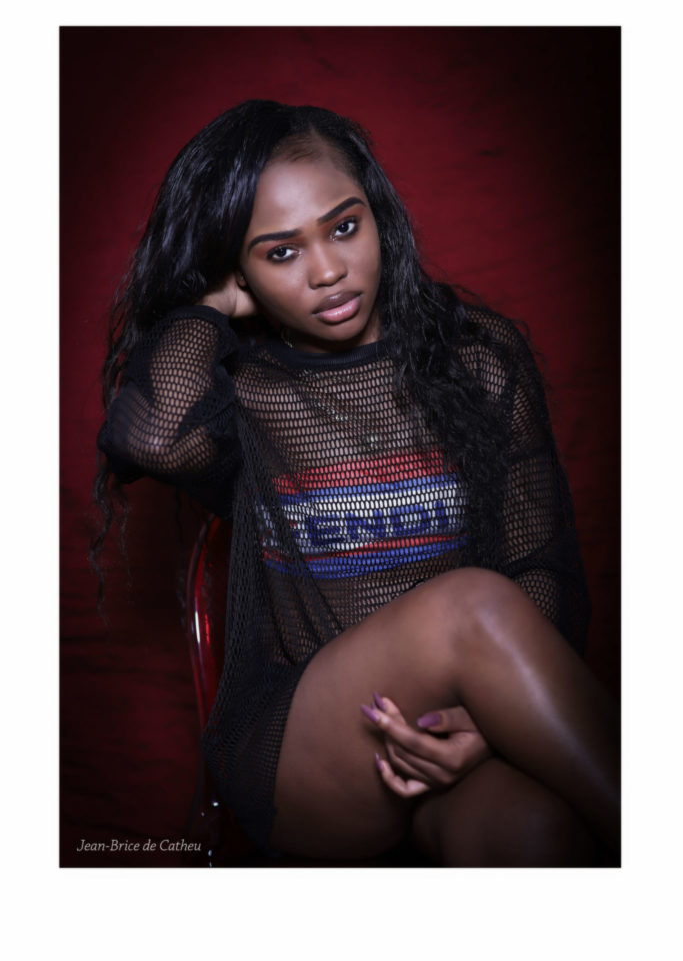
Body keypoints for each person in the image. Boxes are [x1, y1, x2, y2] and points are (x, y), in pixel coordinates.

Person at [95, 99, 619, 866]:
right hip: (310, 747)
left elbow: (539, 567)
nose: (327, 270)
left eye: (343, 227)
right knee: (470, 603)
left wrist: (483, 729)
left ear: (377, 216)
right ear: (240, 270)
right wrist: (210, 303)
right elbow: (150, 436)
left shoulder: (478, 361)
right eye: (279, 252)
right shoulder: (248, 392)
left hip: (454, 724)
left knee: (537, 833)